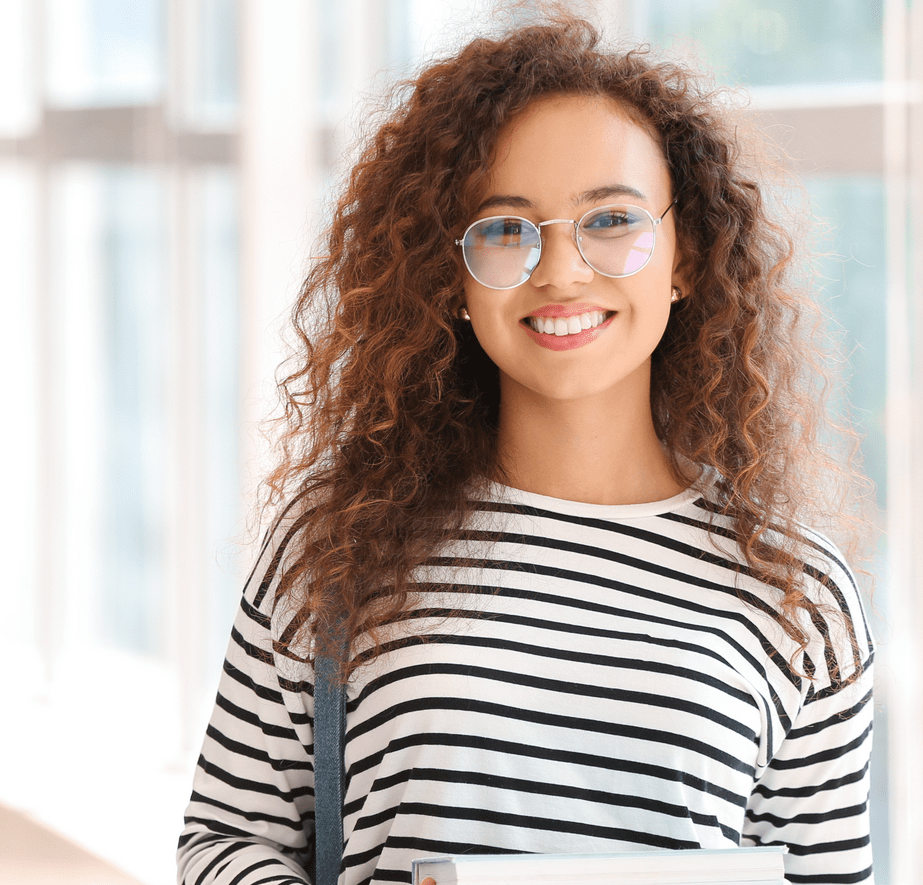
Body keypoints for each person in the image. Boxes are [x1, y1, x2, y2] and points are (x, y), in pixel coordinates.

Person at [177, 15, 874, 885]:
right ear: (454, 278)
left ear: (686, 256)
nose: (562, 272)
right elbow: (223, 842)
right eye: (507, 230)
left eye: (611, 220)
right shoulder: (336, 543)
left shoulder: (799, 595)